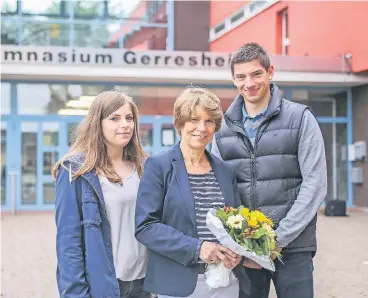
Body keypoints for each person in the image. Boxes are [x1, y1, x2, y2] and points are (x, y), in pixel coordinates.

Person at [211, 42, 327, 298]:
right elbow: (218, 189)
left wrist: (275, 240)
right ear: (233, 79)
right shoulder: (221, 129)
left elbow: (315, 184)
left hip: (293, 247)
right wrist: (243, 244)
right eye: (240, 77)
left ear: (270, 72)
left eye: (256, 74)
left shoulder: (300, 118)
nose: (248, 83)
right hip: (244, 250)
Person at [135, 87, 250, 298]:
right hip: (178, 284)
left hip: (225, 282)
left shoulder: (225, 171)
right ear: (180, 123)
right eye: (194, 120)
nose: (202, 128)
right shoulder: (158, 166)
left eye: (209, 121)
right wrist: (197, 248)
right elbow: (146, 227)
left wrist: (238, 253)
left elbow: (236, 222)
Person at [53, 90, 150, 298]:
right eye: (114, 118)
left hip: (145, 286)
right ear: (98, 123)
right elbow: (68, 244)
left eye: (129, 118)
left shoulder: (146, 168)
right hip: (104, 288)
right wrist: (75, 294)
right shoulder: (75, 171)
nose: (125, 124)